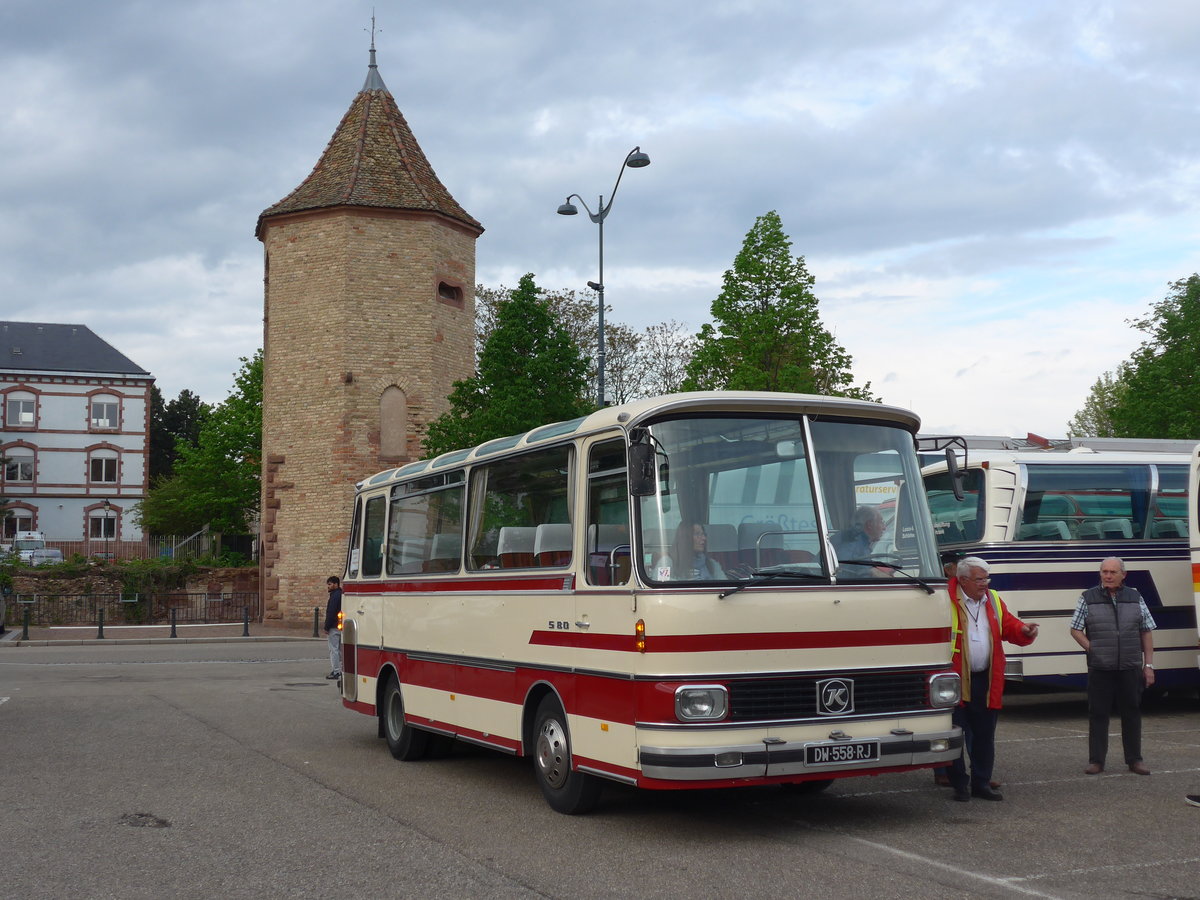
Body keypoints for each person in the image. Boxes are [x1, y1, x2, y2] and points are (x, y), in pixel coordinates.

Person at [948, 556, 1038, 801]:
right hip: (954, 682)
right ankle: (959, 784)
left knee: (984, 734)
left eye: (987, 578)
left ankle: (981, 782)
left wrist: (1023, 630)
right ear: (963, 580)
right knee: (954, 733)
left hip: (986, 680)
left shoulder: (994, 599)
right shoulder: (945, 600)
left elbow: (1009, 626)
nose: (984, 583)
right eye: (979, 579)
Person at [1069, 557, 1156, 776]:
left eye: (1112, 572)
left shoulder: (1135, 597)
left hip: (1129, 666)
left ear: (1123, 575)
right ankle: (1096, 761)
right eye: (1104, 571)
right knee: (1098, 714)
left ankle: (1135, 760)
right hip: (1100, 667)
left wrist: (1149, 665)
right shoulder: (1087, 597)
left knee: (1132, 713)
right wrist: (1092, 648)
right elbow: (1075, 629)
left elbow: (1146, 631)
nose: (1107, 576)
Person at [659, 522, 725, 581]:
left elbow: (724, 585)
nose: (704, 538)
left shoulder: (712, 565)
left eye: (703, 534)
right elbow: (661, 584)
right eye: (697, 534)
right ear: (685, 538)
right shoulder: (666, 563)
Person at [323, 575, 343, 680]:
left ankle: (336, 671)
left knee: (333, 650)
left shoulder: (334, 596)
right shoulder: (342, 594)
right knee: (340, 650)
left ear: (335, 584)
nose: (328, 586)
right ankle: (340, 670)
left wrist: (326, 627)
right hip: (340, 626)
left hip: (334, 627)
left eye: (330, 584)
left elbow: (331, 612)